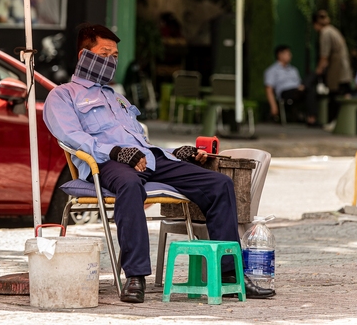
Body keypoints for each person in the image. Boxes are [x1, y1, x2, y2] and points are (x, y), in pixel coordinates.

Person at [43, 23, 275, 303]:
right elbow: (71, 137)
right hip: (105, 164)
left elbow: (141, 141)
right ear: (84, 56)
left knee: (219, 184)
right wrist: (116, 151)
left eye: (115, 55)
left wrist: (175, 152)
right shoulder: (63, 95)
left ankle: (230, 274)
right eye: (105, 53)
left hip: (145, 159)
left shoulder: (116, 97)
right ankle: (136, 277)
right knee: (129, 185)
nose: (111, 61)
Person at [312, 10, 353, 126]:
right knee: (345, 94)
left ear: (315, 23)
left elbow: (324, 56)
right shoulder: (333, 30)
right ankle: (342, 122)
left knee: (334, 97)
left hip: (337, 70)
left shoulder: (325, 33)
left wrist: (318, 71)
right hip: (344, 68)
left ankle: (333, 122)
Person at [264, 45, 318, 126]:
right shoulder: (272, 71)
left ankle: (312, 119)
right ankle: (311, 119)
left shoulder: (293, 70)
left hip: (298, 90)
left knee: (309, 87)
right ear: (280, 55)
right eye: (288, 54)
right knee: (307, 88)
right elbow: (269, 89)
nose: (290, 56)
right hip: (285, 93)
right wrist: (273, 106)